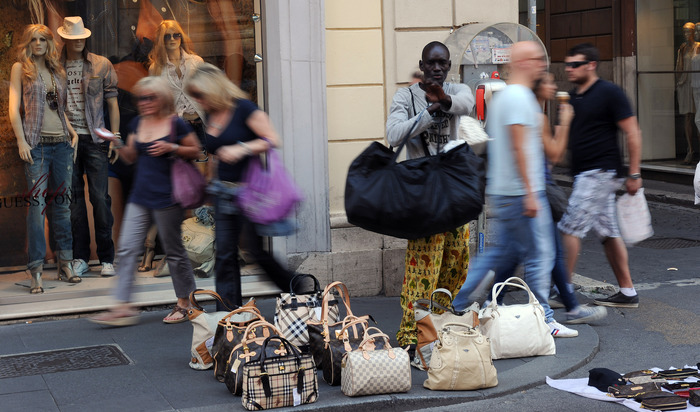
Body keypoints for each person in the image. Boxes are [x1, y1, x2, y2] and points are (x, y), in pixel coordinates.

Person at [451, 41, 578, 338]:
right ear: (521, 63)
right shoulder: (520, 97)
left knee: (497, 256)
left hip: (506, 191)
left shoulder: (506, 96)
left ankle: (457, 302)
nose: (541, 64)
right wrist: (532, 193)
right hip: (522, 193)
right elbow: (521, 147)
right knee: (541, 255)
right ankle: (545, 320)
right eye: (535, 59)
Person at [494, 73, 607, 325]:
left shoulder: (529, 112)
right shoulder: (536, 116)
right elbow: (554, 154)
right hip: (534, 190)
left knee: (525, 251)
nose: (554, 87)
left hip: (528, 190)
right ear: (538, 86)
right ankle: (560, 309)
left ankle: (496, 304)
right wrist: (565, 122)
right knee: (530, 252)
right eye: (549, 82)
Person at [89, 76, 201, 326]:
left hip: (168, 197)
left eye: (151, 97)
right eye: (141, 98)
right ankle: (123, 307)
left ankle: (186, 303)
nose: (145, 102)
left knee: (174, 252)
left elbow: (195, 150)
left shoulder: (175, 124)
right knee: (127, 249)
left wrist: (170, 147)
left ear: (163, 98)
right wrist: (114, 140)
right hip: (140, 196)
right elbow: (130, 157)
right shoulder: (138, 122)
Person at [385, 41, 475, 349]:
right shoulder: (405, 96)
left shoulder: (458, 89)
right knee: (423, 266)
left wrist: (444, 101)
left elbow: (467, 104)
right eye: (431, 63)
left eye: (443, 63)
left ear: (448, 66)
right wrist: (427, 112)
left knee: (457, 261)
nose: (437, 68)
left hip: (454, 192)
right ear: (422, 66)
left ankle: (437, 320)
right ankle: (412, 336)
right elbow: (394, 134)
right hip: (423, 194)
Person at [184, 63, 295, 310]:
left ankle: (297, 289)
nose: (198, 101)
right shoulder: (211, 114)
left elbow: (272, 139)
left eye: (200, 95)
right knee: (224, 255)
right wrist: (208, 187)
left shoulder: (243, 108)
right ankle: (229, 316)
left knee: (256, 253)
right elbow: (214, 154)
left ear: (212, 89)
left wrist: (241, 147)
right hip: (223, 193)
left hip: (248, 194)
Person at [560, 43, 643, 308]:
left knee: (570, 228)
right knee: (607, 232)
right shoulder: (573, 98)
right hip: (587, 173)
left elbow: (632, 132)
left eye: (575, 64)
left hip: (600, 172)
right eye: (567, 64)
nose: (569, 69)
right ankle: (628, 292)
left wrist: (635, 173)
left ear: (591, 65)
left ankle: (562, 290)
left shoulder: (609, 92)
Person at [8, 24, 81, 294]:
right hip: (36, 146)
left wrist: (73, 134)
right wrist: (20, 140)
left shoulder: (56, 69)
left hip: (62, 143)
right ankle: (36, 269)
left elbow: (60, 109)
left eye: (42, 39)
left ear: (49, 43)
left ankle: (65, 262)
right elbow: (13, 108)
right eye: (33, 39)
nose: (37, 43)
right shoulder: (21, 68)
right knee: (37, 210)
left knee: (62, 206)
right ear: (27, 43)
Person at [57, 16, 120, 278]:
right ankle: (81, 257)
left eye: (81, 37)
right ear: (65, 39)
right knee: (74, 203)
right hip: (65, 141)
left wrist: (114, 137)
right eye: (73, 38)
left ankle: (107, 258)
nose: (79, 41)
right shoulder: (54, 66)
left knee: (100, 200)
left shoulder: (101, 64)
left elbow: (113, 103)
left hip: (95, 139)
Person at [676, 22, 697, 164]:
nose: (686, 35)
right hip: (685, 83)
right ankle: (690, 150)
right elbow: (679, 69)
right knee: (688, 117)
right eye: (684, 32)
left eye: (688, 32)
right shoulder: (682, 49)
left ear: (694, 33)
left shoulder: (698, 46)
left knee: (699, 117)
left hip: (696, 83)